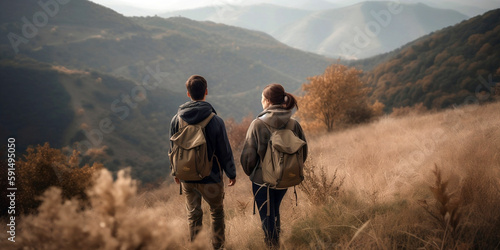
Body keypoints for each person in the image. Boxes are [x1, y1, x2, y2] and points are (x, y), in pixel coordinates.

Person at [169, 75, 237, 249]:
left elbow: (173, 148)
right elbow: (224, 150)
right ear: (206, 92)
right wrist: (231, 173)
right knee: (217, 213)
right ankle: (218, 247)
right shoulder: (215, 121)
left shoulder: (176, 120)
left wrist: (175, 171)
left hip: (187, 176)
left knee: (193, 215)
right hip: (211, 177)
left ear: (187, 93)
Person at [240, 83, 307, 248]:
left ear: (268, 101)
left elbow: (248, 157)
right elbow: (303, 152)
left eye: (262, 99)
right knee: (274, 210)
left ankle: (272, 244)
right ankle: (276, 240)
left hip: (262, 180)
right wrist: (288, 168)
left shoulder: (257, 124)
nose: (261, 101)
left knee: (266, 215)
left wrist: (252, 173)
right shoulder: (293, 124)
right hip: (284, 178)